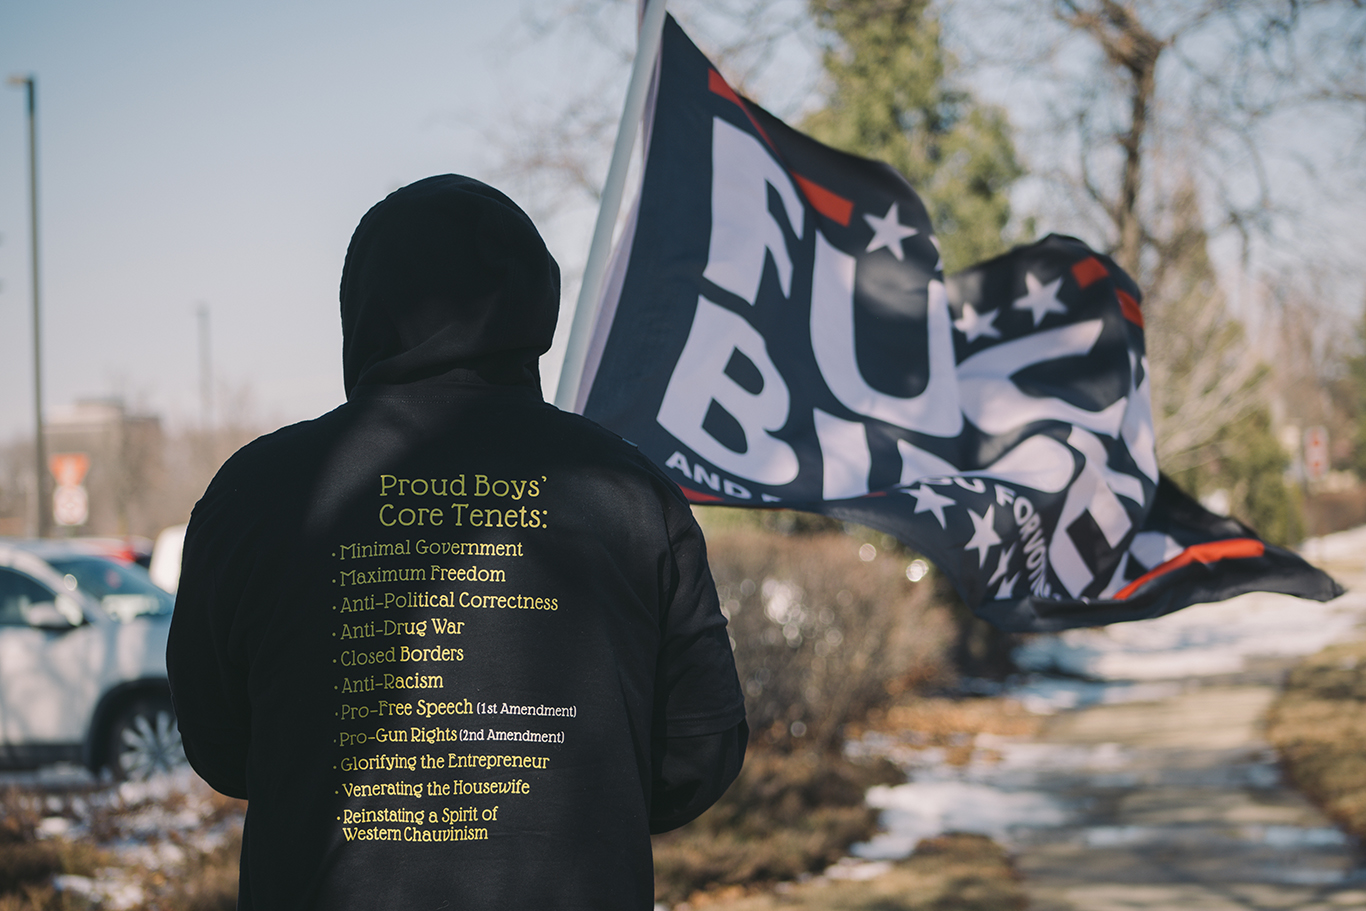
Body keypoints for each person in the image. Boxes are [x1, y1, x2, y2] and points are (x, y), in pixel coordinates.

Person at [166, 175, 748, 910]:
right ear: (534, 306)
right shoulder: (627, 488)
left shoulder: (258, 492)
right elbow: (701, 748)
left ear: (364, 311)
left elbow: (220, 744)